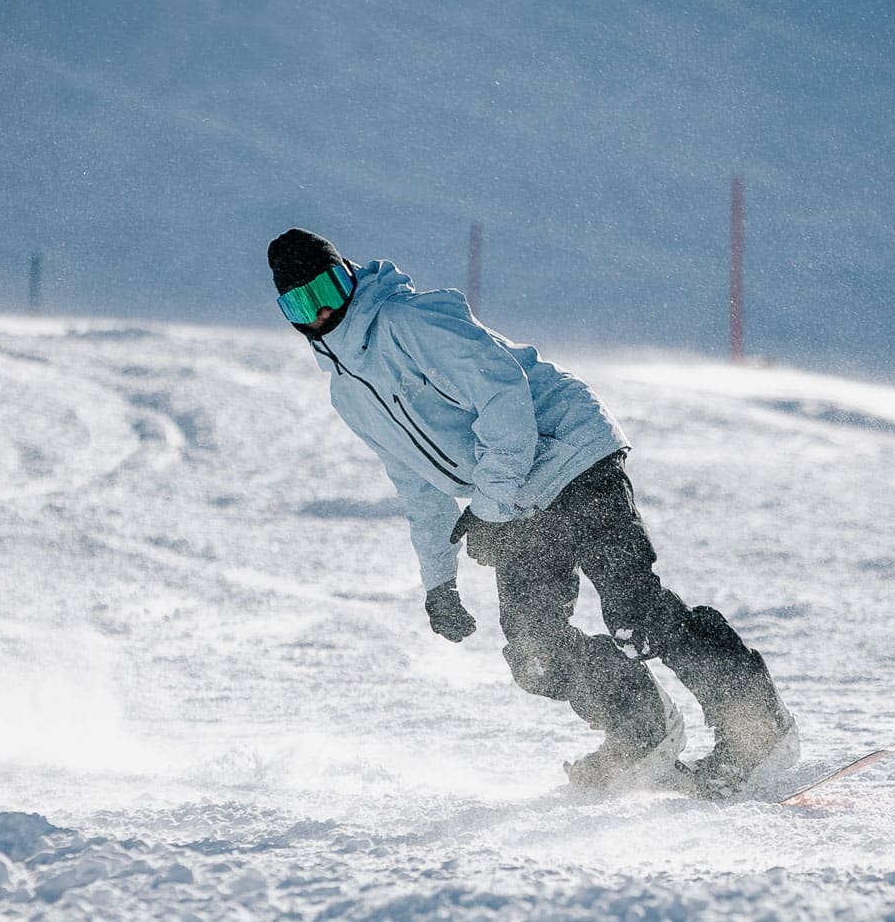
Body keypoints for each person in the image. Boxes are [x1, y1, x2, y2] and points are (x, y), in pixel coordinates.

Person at [267, 228, 798, 794]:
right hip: (515, 495)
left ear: (347, 276)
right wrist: (438, 584)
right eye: (300, 303)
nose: (320, 311)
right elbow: (417, 486)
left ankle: (757, 728)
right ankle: (643, 727)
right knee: (535, 650)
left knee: (634, 609)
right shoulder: (348, 391)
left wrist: (492, 508)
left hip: (571, 454)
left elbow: (505, 398)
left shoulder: (410, 323)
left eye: (327, 288)